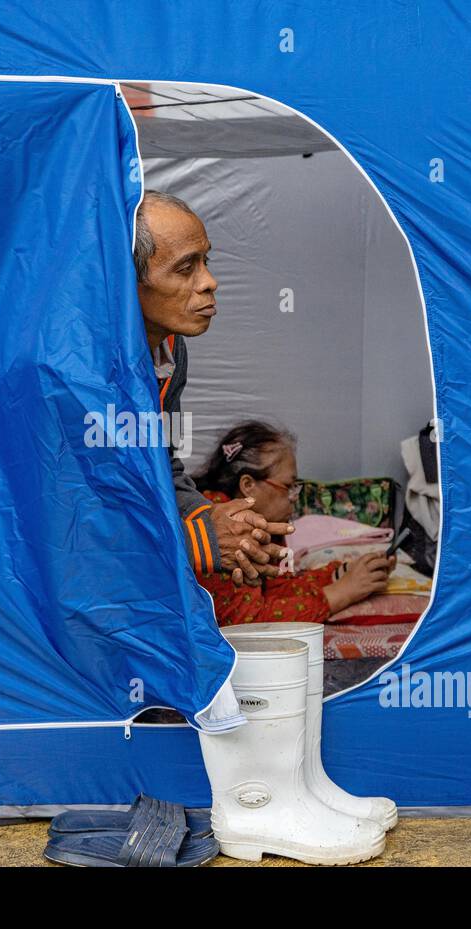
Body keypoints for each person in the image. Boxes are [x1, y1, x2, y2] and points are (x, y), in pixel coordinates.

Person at [133, 191, 289, 586]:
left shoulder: (170, 349)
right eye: (186, 267)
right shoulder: (70, 371)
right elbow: (65, 519)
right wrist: (199, 541)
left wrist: (220, 524)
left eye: (206, 260)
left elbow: (162, 467)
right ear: (124, 280)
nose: (209, 282)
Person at [192, 421, 395, 626]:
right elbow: (247, 623)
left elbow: (279, 588)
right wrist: (341, 594)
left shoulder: (263, 525)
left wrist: (343, 573)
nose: (294, 497)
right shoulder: (224, 530)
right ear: (248, 486)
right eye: (288, 486)